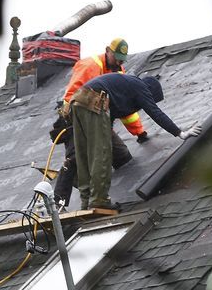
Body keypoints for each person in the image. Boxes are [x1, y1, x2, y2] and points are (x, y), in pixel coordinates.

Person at [70, 73, 199, 212]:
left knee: (83, 152)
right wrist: (180, 133)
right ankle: (99, 200)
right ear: (151, 91)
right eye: (151, 99)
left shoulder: (125, 88)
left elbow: (109, 118)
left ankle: (85, 200)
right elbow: (155, 112)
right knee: (102, 153)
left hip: (77, 101)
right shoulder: (141, 87)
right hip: (94, 101)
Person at [51, 38, 148, 207]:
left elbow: (123, 107)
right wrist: (75, 123)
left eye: (121, 60)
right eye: (116, 57)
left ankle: (123, 198)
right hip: (75, 119)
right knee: (75, 159)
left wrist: (139, 132)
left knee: (121, 155)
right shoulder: (90, 66)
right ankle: (59, 204)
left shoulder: (118, 72)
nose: (118, 62)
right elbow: (72, 98)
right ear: (107, 51)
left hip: (99, 120)